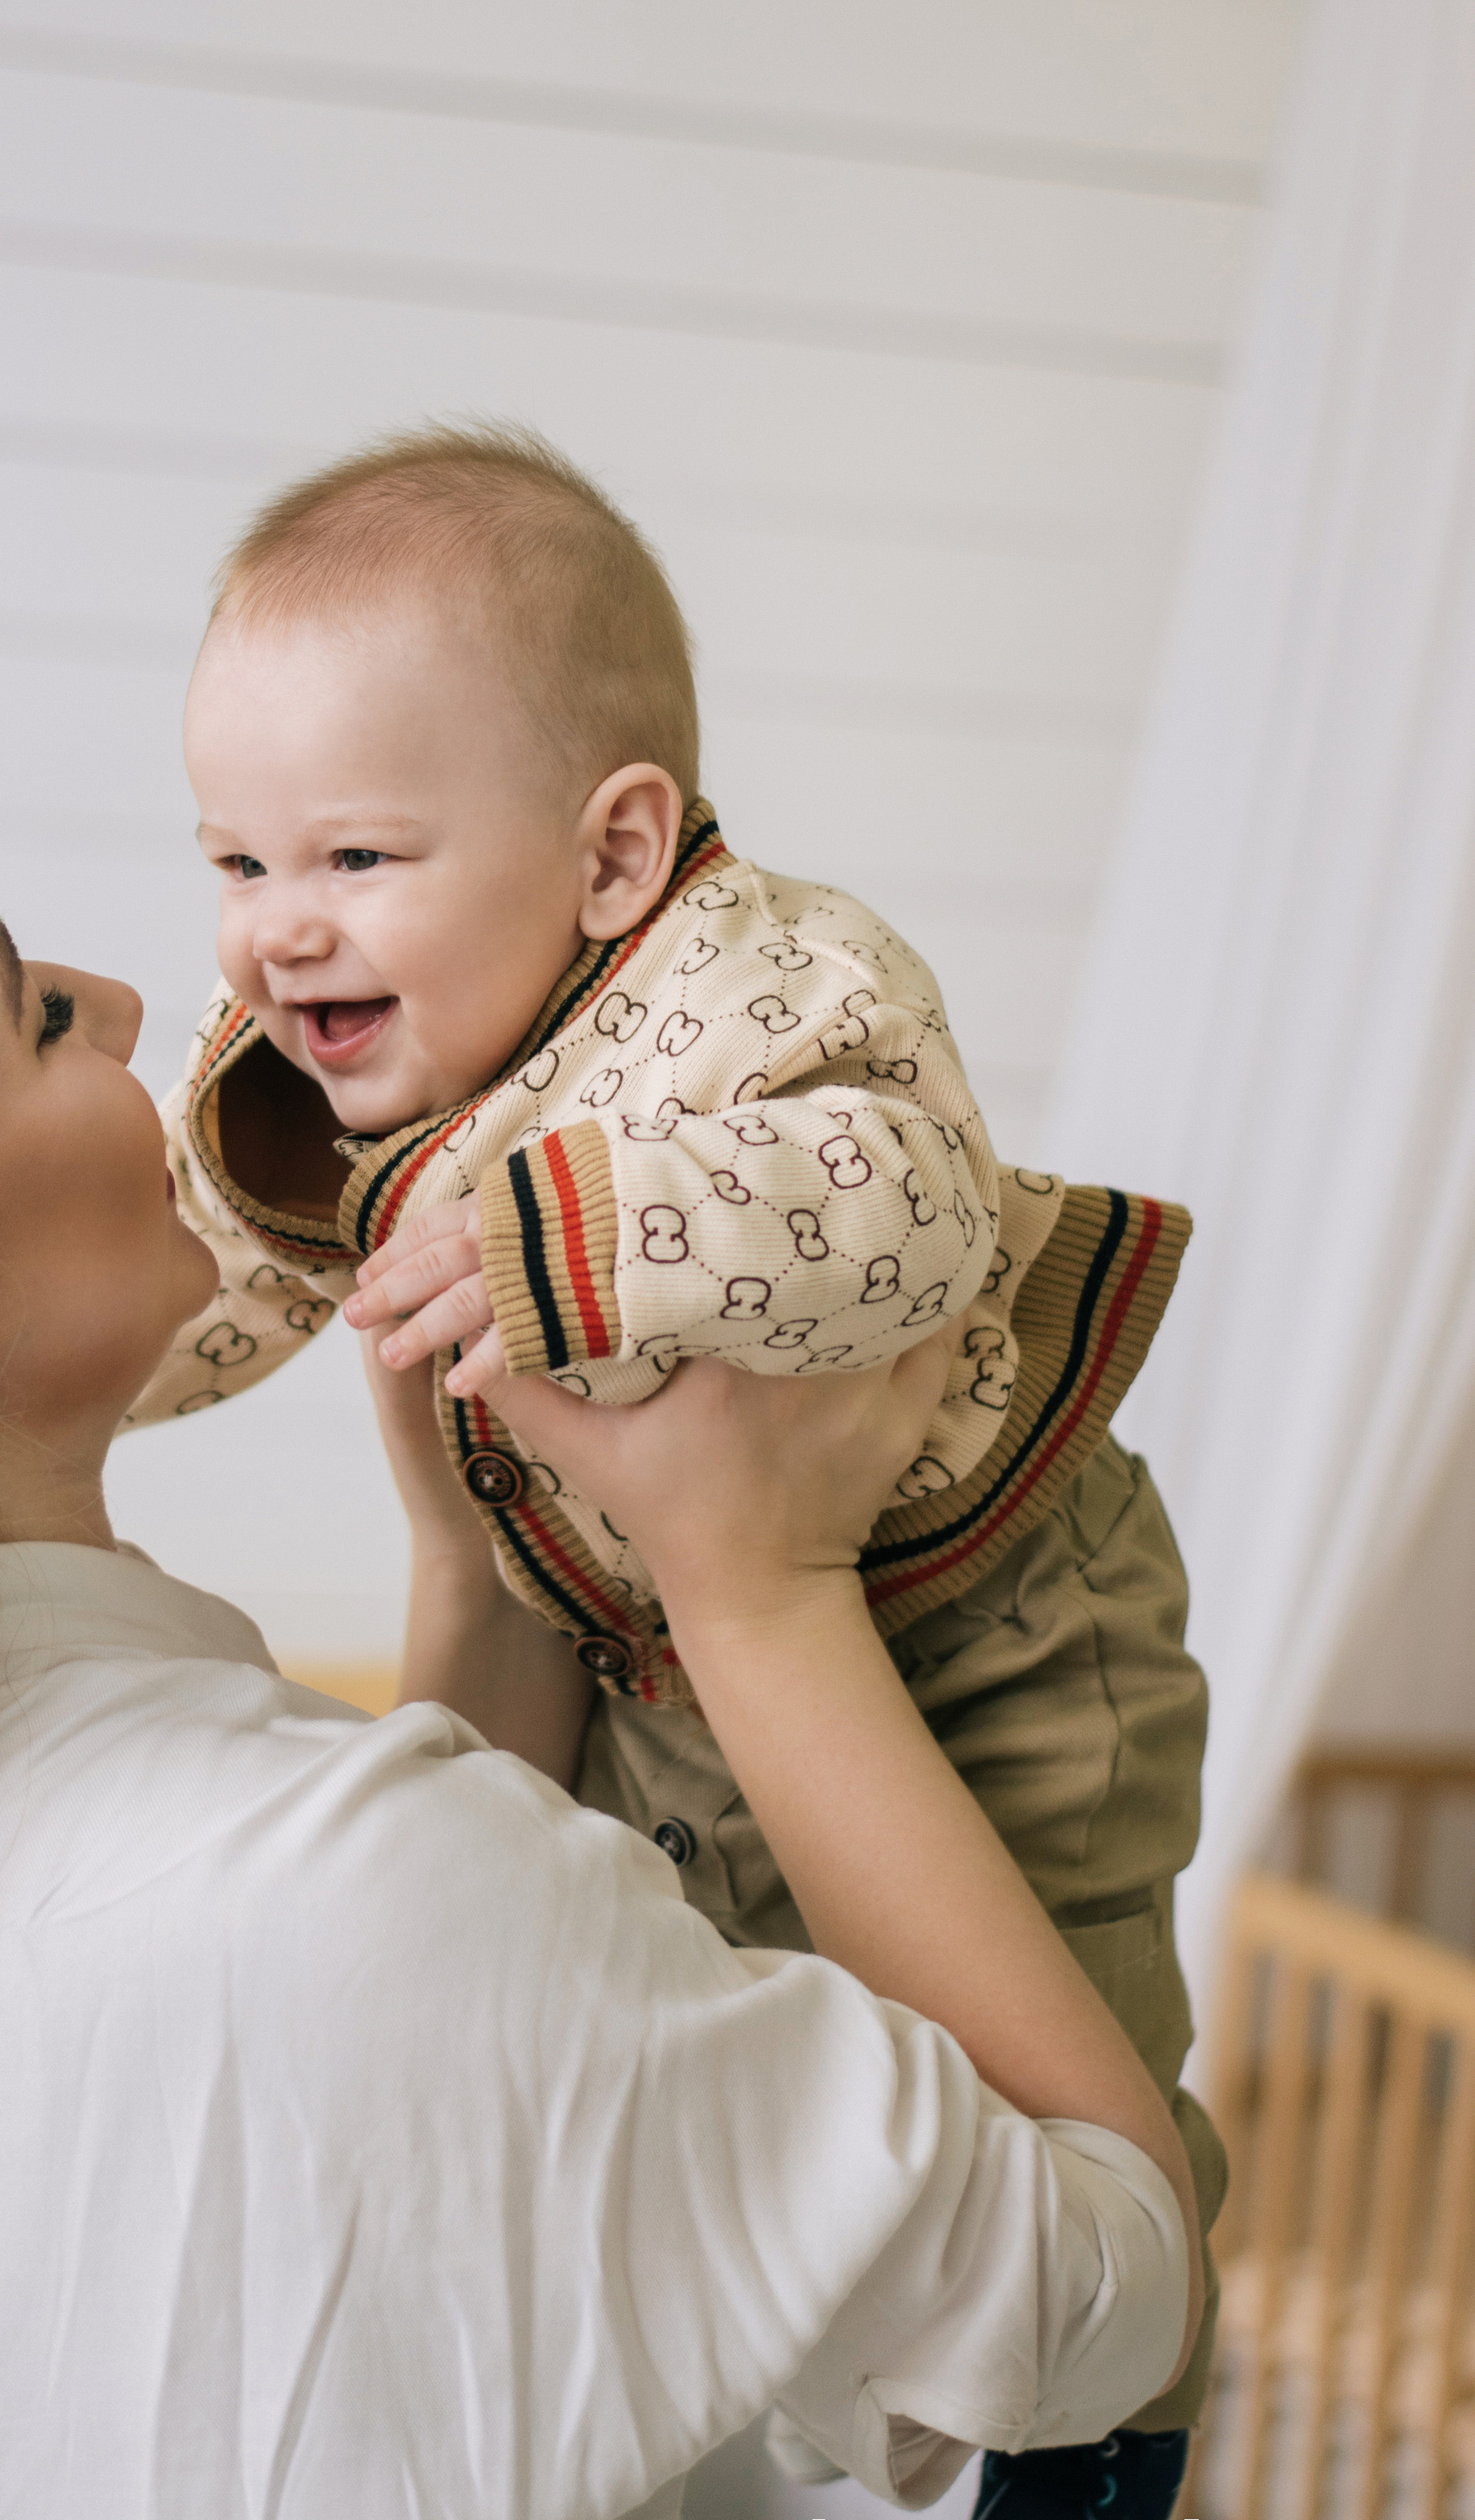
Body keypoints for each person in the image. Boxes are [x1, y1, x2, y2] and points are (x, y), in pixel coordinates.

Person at [0, 743, 1195, 2520]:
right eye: (35, 1017)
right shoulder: (322, 1884)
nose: (138, 995)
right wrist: (757, 1595)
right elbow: (1095, 2296)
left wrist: (479, 1565)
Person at [128, 422, 1223, 2505]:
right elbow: (229, 1276)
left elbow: (898, 1199)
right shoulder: (387, 1059)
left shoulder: (762, 984)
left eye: (352, 856)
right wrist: (74, 1396)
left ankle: (1070, 2397)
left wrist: (569, 1240)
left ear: (614, 855)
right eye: (234, 861)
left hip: (993, 1615)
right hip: (658, 1652)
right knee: (749, 2008)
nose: (276, 930)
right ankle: (881, 2332)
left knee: (1052, 2029)